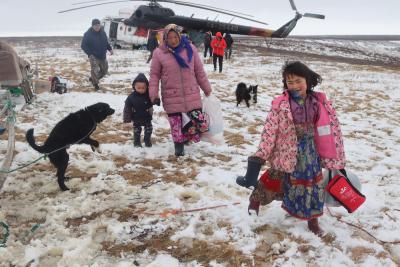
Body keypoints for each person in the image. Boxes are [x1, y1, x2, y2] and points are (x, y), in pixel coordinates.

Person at [236, 61, 346, 236]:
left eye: (298, 81)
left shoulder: (318, 102)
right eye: (290, 82)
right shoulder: (281, 104)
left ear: (308, 81)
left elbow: (329, 128)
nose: (294, 86)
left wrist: (333, 154)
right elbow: (270, 130)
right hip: (286, 150)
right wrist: (262, 152)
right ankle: (255, 202)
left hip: (310, 153)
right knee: (274, 179)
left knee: (313, 185)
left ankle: (313, 220)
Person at [149, 24, 212, 157]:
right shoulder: (159, 53)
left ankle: (187, 139)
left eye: (175, 36)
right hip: (172, 95)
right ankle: (178, 146)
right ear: (165, 38)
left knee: (194, 122)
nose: (173, 40)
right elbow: (154, 75)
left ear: (179, 35)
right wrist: (153, 94)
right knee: (176, 124)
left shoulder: (190, 49)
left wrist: (206, 88)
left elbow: (199, 71)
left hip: (191, 93)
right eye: (169, 37)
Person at [81, 18, 113, 91]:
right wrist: (90, 54)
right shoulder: (88, 34)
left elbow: (106, 42)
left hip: (102, 55)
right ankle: (95, 83)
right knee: (95, 70)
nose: (97, 27)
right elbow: (83, 45)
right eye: (95, 25)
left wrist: (110, 49)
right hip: (94, 56)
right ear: (92, 26)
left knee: (105, 70)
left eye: (98, 25)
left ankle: (93, 78)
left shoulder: (103, 32)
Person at [123, 73, 153, 147]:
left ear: (147, 87)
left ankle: (147, 140)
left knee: (149, 130)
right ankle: (137, 143)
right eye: (138, 88)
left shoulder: (149, 95)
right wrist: (127, 120)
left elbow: (154, 101)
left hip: (147, 117)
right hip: (136, 118)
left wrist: (156, 100)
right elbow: (127, 109)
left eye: (143, 88)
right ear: (134, 86)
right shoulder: (131, 97)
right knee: (137, 131)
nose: (141, 90)